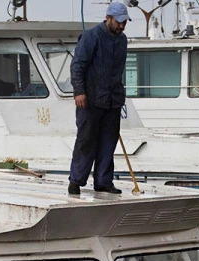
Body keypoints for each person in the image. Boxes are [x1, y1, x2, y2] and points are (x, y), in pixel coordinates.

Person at [67, 1, 130, 195]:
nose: (121, 25)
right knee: (86, 140)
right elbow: (77, 66)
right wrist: (79, 91)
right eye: (118, 21)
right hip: (90, 99)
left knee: (108, 143)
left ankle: (103, 182)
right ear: (108, 18)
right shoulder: (91, 36)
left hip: (113, 100)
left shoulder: (122, 40)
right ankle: (76, 181)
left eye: (124, 22)